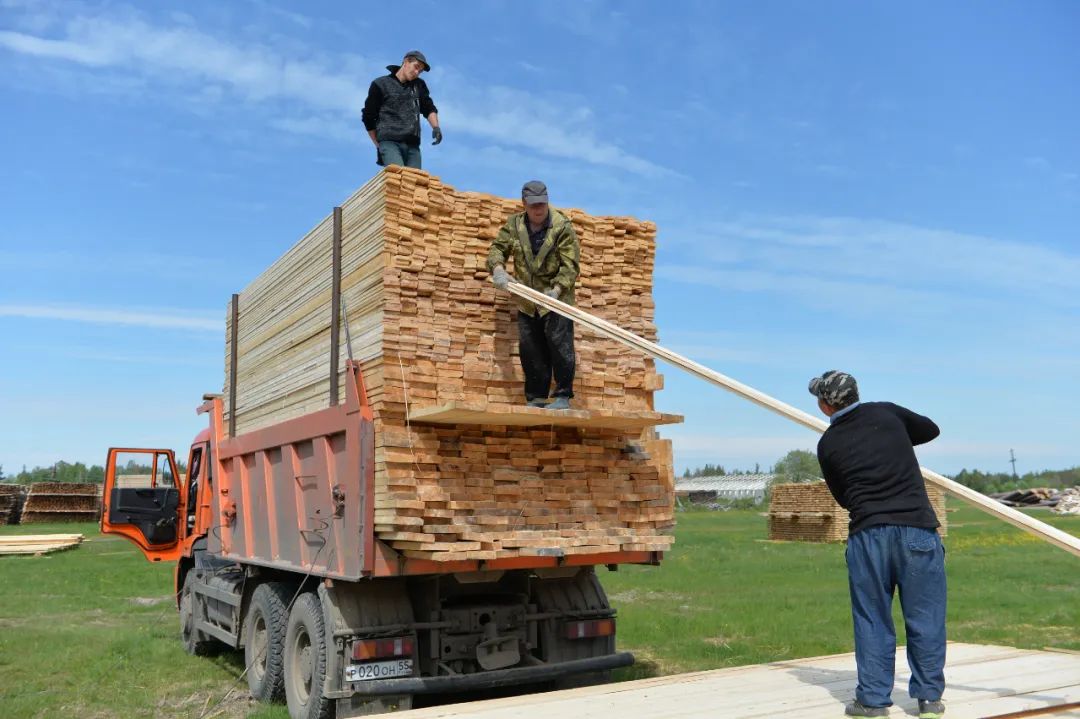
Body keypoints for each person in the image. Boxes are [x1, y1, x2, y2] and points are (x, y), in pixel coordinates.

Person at [808, 370, 947, 719]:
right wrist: (894, 439)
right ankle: (929, 700)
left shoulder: (828, 444)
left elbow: (842, 498)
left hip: (868, 535)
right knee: (925, 617)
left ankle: (872, 702)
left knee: (872, 619)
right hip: (917, 530)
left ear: (826, 405)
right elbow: (930, 429)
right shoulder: (887, 413)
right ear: (856, 394)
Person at [487, 180, 580, 409]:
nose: (538, 209)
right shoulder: (515, 225)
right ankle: (536, 397)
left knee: (559, 345)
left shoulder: (561, 226)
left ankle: (562, 396)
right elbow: (498, 248)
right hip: (527, 299)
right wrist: (498, 269)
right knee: (531, 348)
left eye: (542, 204)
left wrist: (557, 290)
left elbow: (570, 265)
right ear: (524, 204)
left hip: (555, 298)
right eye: (533, 205)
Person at [361, 50, 441, 169]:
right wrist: (379, 145)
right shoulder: (380, 84)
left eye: (420, 71)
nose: (417, 72)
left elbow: (428, 107)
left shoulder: (419, 85)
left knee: (414, 184)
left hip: (413, 146)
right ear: (406, 61)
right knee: (398, 178)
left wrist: (436, 127)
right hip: (389, 142)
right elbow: (368, 117)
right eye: (416, 67)